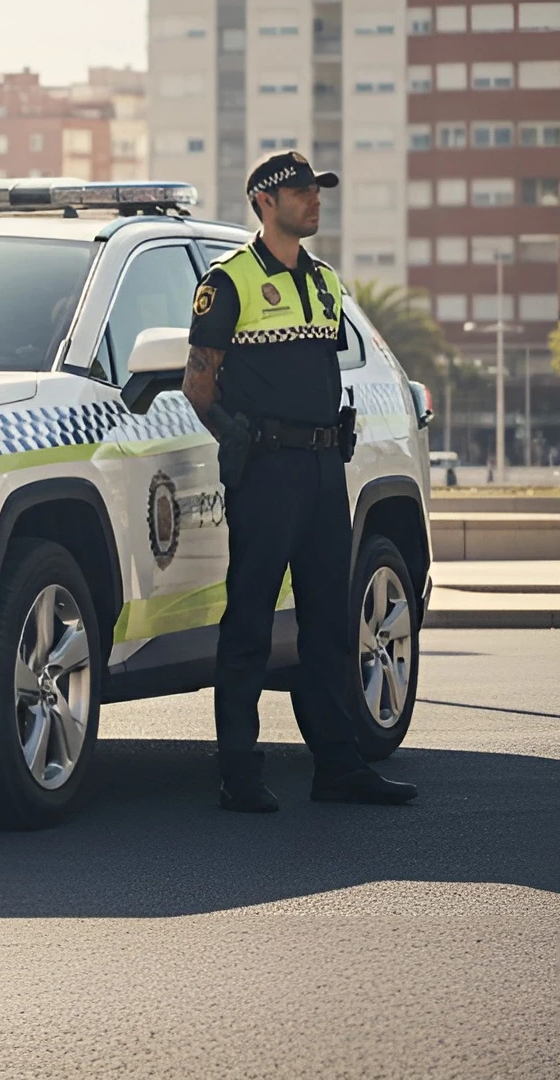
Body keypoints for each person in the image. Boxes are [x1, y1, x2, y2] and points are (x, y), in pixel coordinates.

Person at [182, 151, 419, 813]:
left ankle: (337, 768)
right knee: (250, 624)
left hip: (323, 469)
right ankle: (239, 774)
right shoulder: (227, 283)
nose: (314, 199)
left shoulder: (324, 281)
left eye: (318, 189)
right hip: (266, 470)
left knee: (329, 624)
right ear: (264, 200)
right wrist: (236, 441)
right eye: (300, 190)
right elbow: (198, 384)